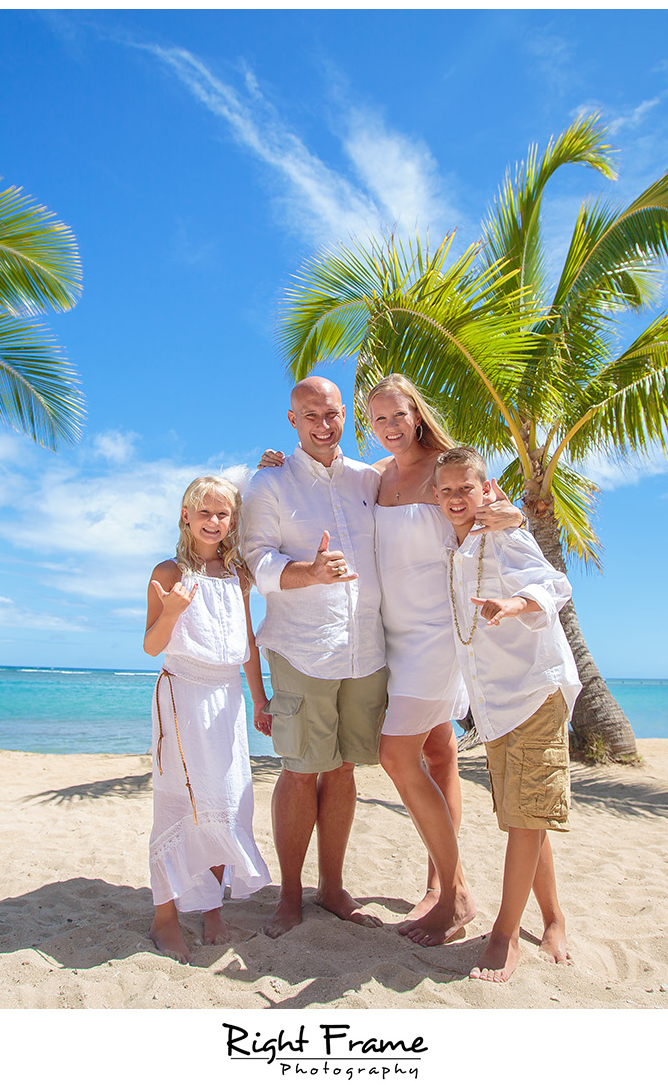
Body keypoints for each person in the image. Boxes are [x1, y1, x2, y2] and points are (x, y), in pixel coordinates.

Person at [258, 374, 524, 947]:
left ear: (418, 413)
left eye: (397, 416)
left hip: (435, 630)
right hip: (386, 633)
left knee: (410, 752)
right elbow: (311, 486)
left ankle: (450, 890)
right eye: (377, 420)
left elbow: (494, 510)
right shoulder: (372, 475)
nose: (389, 428)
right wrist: (275, 466)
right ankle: (444, 884)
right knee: (435, 748)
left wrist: (516, 516)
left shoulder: (444, 470)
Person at [240, 377, 387, 938]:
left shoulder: (369, 479)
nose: (323, 425)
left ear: (344, 414)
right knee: (301, 771)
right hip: (302, 646)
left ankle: (331, 888)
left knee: (346, 768)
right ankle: (290, 894)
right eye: (310, 415)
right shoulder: (269, 481)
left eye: (331, 414)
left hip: (366, 647)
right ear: (291, 420)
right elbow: (255, 560)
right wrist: (310, 572)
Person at [433, 444, 580, 982]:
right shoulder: (452, 540)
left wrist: (511, 605)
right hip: (493, 701)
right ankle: (554, 917)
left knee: (525, 817)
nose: (455, 498)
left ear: (486, 488)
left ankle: (506, 934)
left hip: (535, 691)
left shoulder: (504, 532)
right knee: (525, 814)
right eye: (445, 490)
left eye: (465, 489)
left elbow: (553, 584)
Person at [143, 475, 271, 963]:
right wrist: (172, 611)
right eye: (205, 513)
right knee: (179, 806)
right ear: (186, 515)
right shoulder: (169, 571)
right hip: (183, 699)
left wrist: (259, 700)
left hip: (228, 701)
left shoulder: (238, 574)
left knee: (227, 801)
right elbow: (153, 645)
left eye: (223, 514)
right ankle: (165, 916)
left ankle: (212, 907)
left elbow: (248, 646)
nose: (214, 522)